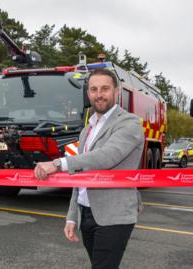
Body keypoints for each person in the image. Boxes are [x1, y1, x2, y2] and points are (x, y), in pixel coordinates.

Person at [34, 68, 144, 269]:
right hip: (86, 212)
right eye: (93, 89)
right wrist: (71, 217)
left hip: (114, 215)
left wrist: (59, 164)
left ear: (116, 91)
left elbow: (106, 156)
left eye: (104, 88)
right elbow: (80, 175)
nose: (99, 94)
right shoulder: (88, 129)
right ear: (88, 93)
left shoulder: (129, 123)